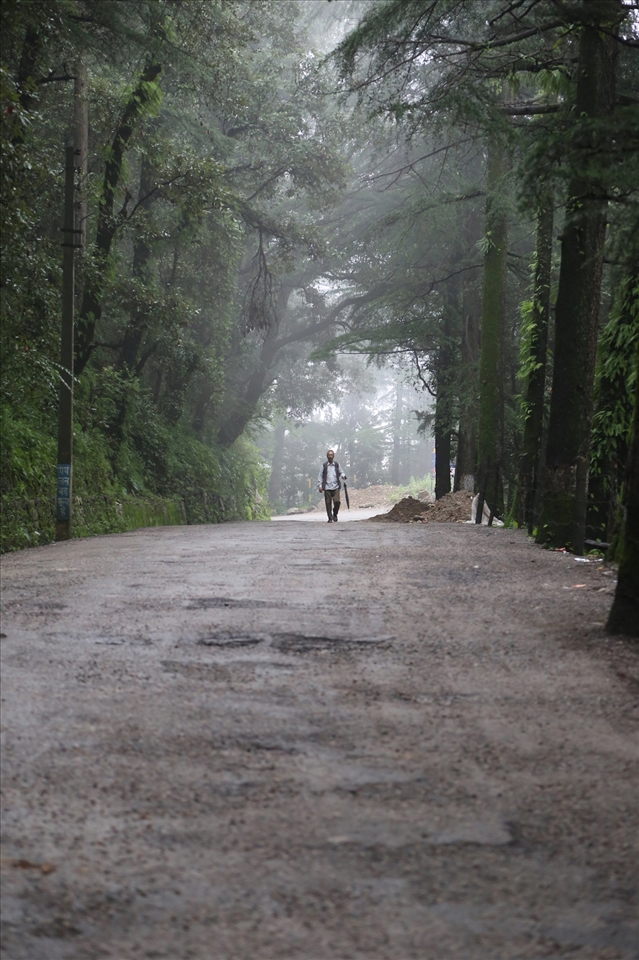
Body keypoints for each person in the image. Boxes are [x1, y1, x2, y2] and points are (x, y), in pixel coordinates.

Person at [318, 449, 347, 522]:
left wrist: (343, 476)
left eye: (331, 455)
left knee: (337, 501)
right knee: (328, 503)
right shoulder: (324, 466)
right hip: (327, 487)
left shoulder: (336, 465)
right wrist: (320, 486)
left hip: (336, 486)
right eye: (329, 455)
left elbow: (341, 472)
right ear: (327, 456)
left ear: (333, 456)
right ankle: (330, 518)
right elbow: (320, 476)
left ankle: (335, 514)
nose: (330, 456)